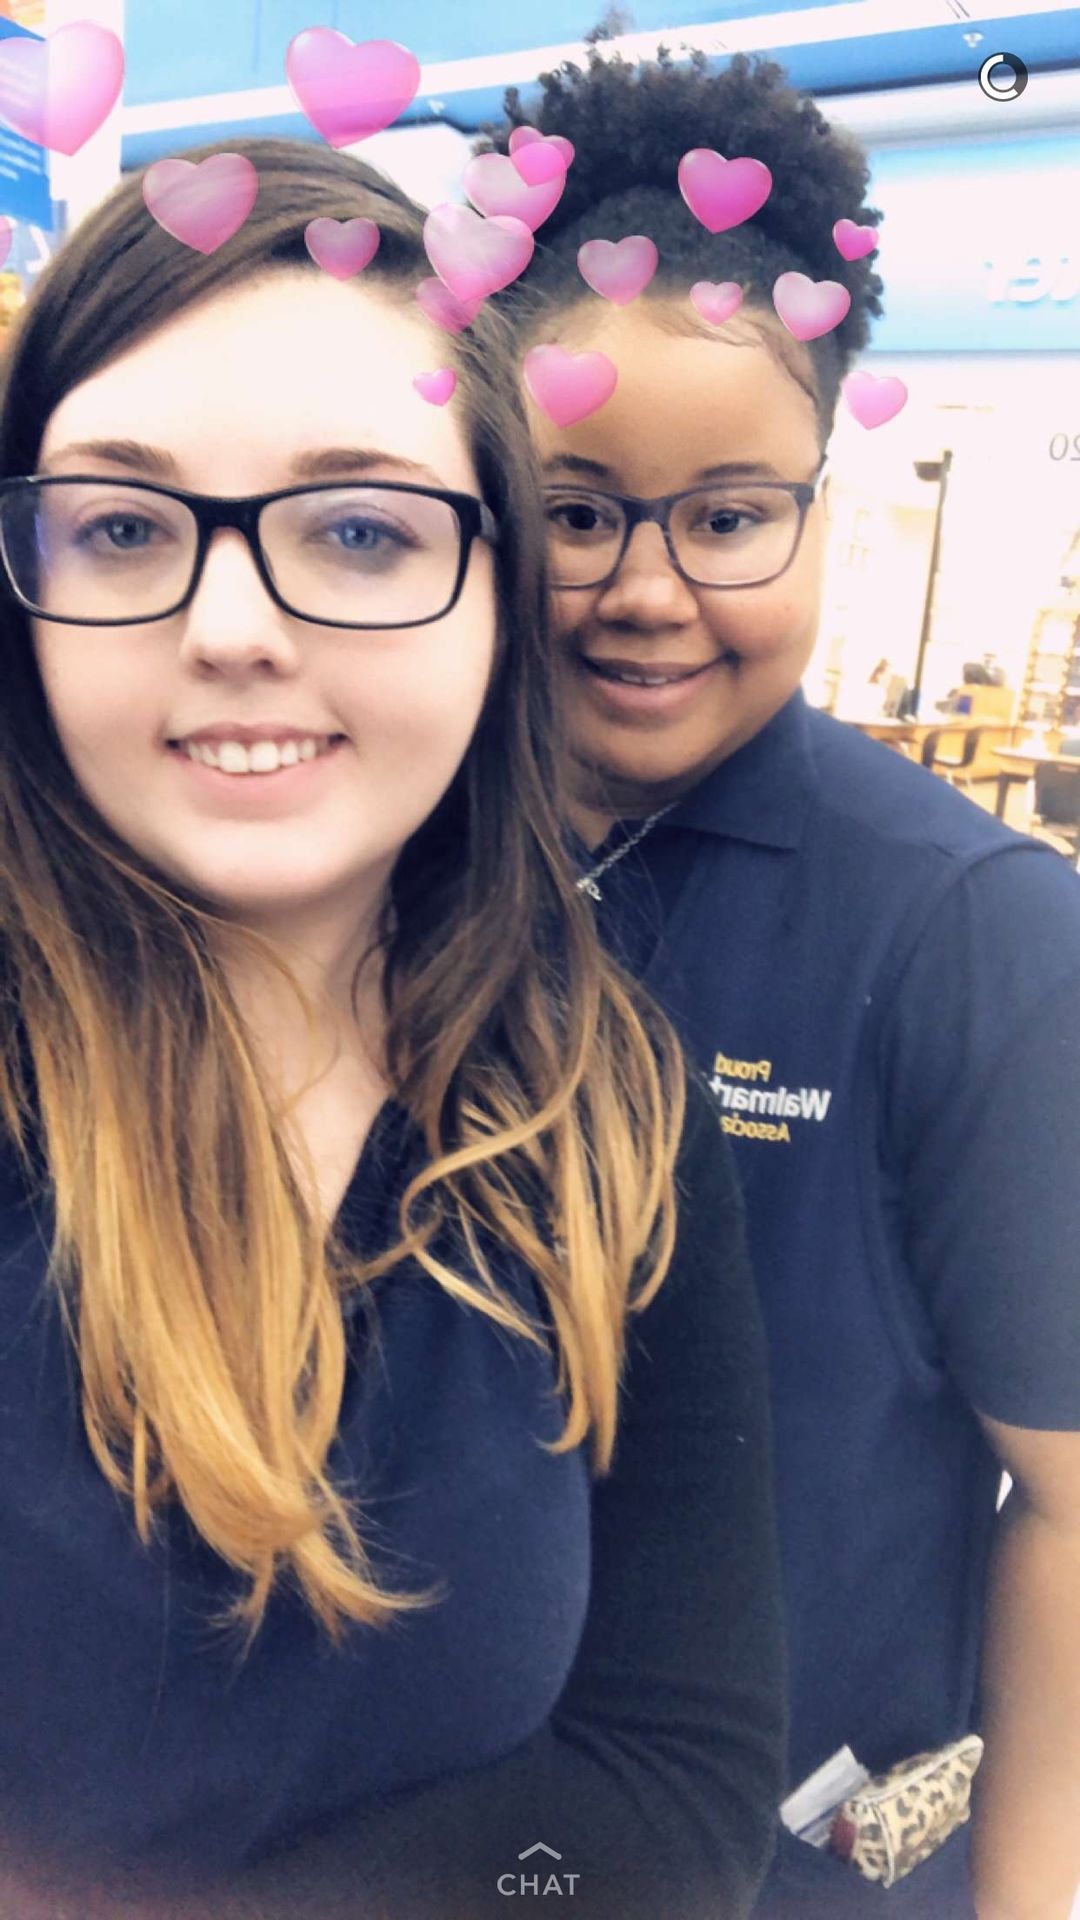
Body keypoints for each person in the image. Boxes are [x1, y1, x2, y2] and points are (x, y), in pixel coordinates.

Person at [0, 136, 785, 1920]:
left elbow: (673, 1782)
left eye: (359, 530)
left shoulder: (605, 1105)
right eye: (121, 526)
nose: (229, 629)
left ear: (502, 598)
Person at [485, 44, 1080, 1920]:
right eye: (576, 511)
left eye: (730, 515)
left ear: (822, 504)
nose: (647, 590)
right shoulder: (395, 870)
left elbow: (1068, 1501)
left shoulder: (967, 933)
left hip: (787, 1862)